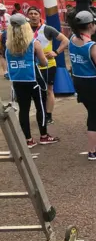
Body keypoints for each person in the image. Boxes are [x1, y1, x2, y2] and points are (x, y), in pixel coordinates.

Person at [4, 14, 59, 147]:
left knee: (24, 109)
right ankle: (44, 136)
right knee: (40, 107)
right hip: (34, 79)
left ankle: (28, 139)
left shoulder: (8, 46)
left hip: (17, 80)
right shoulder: (34, 43)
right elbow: (44, 62)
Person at [68, 11, 96, 160]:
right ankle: (93, 150)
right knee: (94, 116)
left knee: (91, 113)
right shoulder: (92, 46)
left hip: (78, 80)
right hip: (92, 82)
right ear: (90, 25)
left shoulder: (72, 39)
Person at [26, 6, 69, 125]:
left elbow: (65, 40)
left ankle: (48, 115)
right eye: (31, 14)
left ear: (40, 16)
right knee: (35, 91)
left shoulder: (47, 29)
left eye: (35, 13)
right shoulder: (24, 29)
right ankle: (40, 113)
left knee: (49, 90)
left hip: (48, 65)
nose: (33, 16)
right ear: (28, 16)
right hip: (31, 66)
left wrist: (56, 52)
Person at [0, 3, 10, 79]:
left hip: (8, 36)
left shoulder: (7, 16)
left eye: (3, 10)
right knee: (2, 55)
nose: (2, 12)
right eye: (0, 10)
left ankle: (10, 70)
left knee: (8, 53)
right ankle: (6, 72)